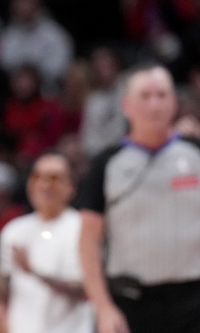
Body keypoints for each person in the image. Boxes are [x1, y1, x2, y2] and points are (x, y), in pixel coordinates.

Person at [79, 64, 200, 333]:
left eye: (162, 95)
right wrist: (103, 307)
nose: (154, 104)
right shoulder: (106, 164)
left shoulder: (195, 153)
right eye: (145, 96)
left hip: (193, 301)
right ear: (126, 105)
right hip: (130, 303)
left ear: (175, 102)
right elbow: (88, 244)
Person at [0, 152, 92, 333]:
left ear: (71, 187)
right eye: (37, 177)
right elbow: (7, 291)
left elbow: (84, 290)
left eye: (54, 178)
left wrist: (35, 272)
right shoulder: (14, 230)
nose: (44, 185)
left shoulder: (81, 228)